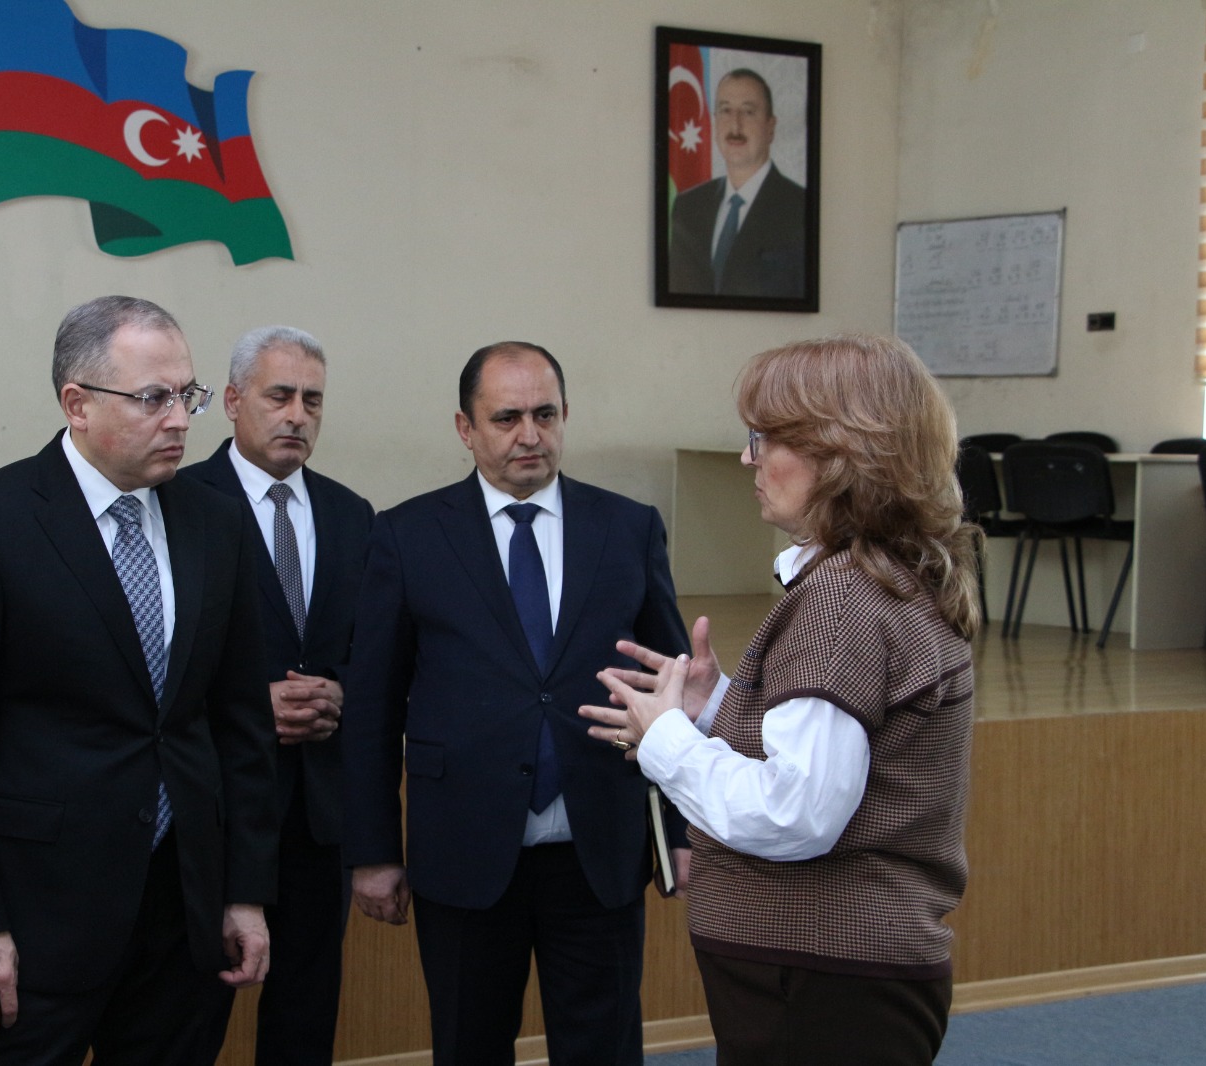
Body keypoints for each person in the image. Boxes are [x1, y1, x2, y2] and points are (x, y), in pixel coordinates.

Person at [0, 296, 279, 1065]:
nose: (179, 419)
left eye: (188, 395)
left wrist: (243, 891)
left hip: (183, 917)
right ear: (77, 403)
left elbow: (240, 724)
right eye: (153, 398)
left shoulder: (217, 523)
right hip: (36, 923)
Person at [581, 333, 980, 1066]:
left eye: (764, 439)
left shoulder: (841, 599)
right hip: (834, 975)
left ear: (843, 453)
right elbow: (841, 751)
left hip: (820, 979)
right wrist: (716, 707)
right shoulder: (875, 578)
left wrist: (667, 741)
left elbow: (796, 812)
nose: (748, 460)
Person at [342, 341, 689, 1066]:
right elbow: (373, 708)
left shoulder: (629, 528)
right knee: (469, 1045)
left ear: (565, 417)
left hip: (598, 849)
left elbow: (671, 688)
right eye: (506, 418)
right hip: (463, 849)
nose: (529, 435)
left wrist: (678, 833)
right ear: (465, 429)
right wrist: (373, 851)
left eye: (544, 415)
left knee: (604, 1049)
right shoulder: (406, 536)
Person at [180, 326, 374, 1066]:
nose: (297, 415)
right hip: (215, 809)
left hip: (319, 814)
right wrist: (247, 703)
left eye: (312, 401)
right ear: (233, 402)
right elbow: (151, 663)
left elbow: (377, 650)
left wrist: (342, 692)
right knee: (188, 1018)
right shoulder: (177, 502)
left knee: (305, 1015)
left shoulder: (352, 514)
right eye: (279, 396)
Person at [668, 67, 807, 299]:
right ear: (714, 122)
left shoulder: (801, 208)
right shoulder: (688, 207)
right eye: (725, 110)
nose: (735, 126)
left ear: (770, 127)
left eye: (748, 112)